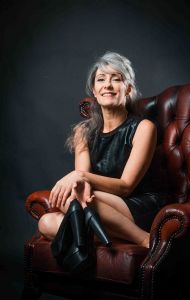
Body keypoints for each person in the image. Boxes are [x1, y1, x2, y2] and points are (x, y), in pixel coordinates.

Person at [38, 51, 159, 263]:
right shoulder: (83, 132)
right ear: (94, 90)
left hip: (135, 204)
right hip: (94, 204)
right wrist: (80, 178)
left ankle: (143, 239)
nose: (108, 85)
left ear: (128, 89)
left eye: (116, 79)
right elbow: (82, 181)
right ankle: (106, 234)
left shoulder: (143, 128)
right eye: (101, 79)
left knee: (73, 196)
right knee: (46, 222)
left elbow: (126, 186)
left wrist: (79, 176)